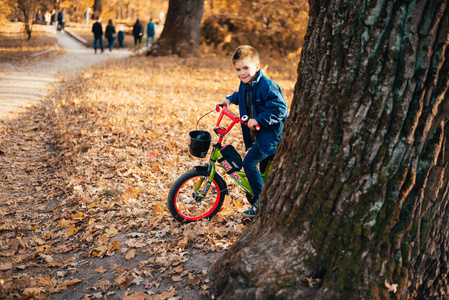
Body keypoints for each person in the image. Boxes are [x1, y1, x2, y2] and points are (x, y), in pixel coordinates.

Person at [220, 45, 288, 218]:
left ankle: (261, 202)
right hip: (258, 136)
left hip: (270, 137)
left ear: (257, 67)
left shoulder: (268, 86)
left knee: (249, 163)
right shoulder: (246, 84)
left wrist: (259, 119)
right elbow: (242, 95)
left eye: (246, 68)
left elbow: (280, 109)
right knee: (264, 171)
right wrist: (229, 99)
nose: (242, 73)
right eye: (238, 69)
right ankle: (264, 195)